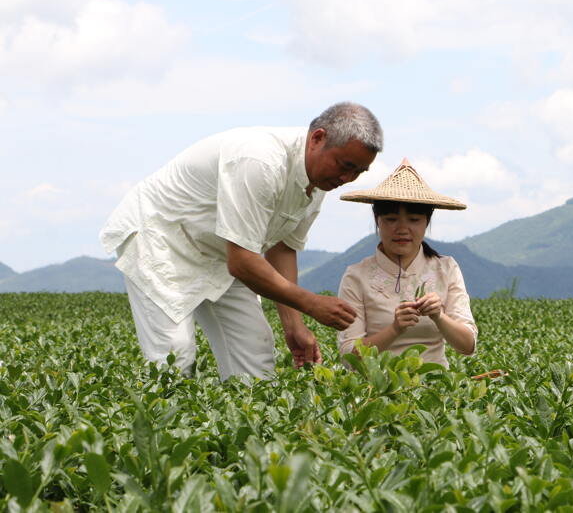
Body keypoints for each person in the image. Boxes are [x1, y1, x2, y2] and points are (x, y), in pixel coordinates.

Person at [99, 102, 382, 380]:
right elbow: (242, 262)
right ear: (318, 139)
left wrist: (293, 324)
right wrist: (311, 303)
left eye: (358, 171)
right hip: (163, 237)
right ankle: (158, 425)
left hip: (224, 251)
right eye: (344, 165)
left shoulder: (318, 184)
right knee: (174, 356)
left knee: (255, 358)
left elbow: (282, 247)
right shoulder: (260, 161)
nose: (347, 178)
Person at [336, 159, 477, 368]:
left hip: (434, 390)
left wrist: (439, 316)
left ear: (427, 222)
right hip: (376, 392)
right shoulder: (357, 275)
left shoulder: (446, 268)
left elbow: (468, 345)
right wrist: (394, 329)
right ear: (377, 221)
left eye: (414, 220)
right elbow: (349, 357)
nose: (402, 229)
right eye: (391, 219)